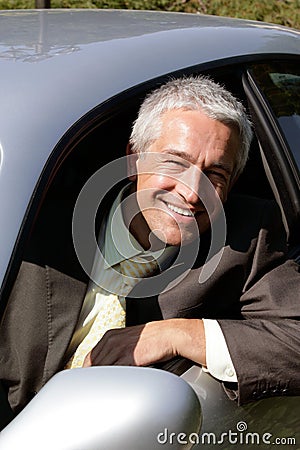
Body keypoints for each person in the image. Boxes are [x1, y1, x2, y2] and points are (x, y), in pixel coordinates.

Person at [0, 76, 299, 415]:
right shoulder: (31, 227)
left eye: (216, 174)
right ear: (133, 160)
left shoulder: (248, 238)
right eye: (175, 162)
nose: (190, 192)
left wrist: (176, 334)